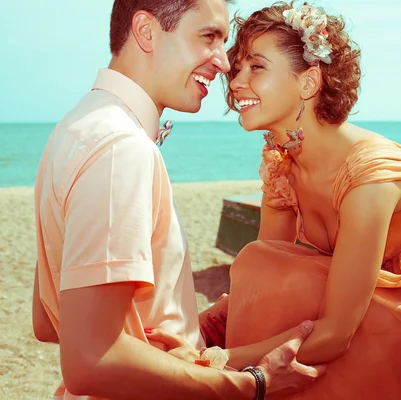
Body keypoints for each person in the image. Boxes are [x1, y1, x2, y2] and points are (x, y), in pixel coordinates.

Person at [186, 2, 401, 398]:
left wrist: (213, 362)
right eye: (239, 67)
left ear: (308, 83)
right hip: (350, 303)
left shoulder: (370, 174)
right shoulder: (283, 161)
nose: (235, 82)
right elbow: (265, 272)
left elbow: (335, 334)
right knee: (258, 263)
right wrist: (201, 331)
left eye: (257, 67)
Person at [31, 1, 325, 399]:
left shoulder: (76, 127)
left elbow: (49, 321)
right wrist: (252, 384)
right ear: (146, 31)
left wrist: (190, 327)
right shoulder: (121, 149)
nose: (223, 62)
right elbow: (91, 359)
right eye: (208, 37)